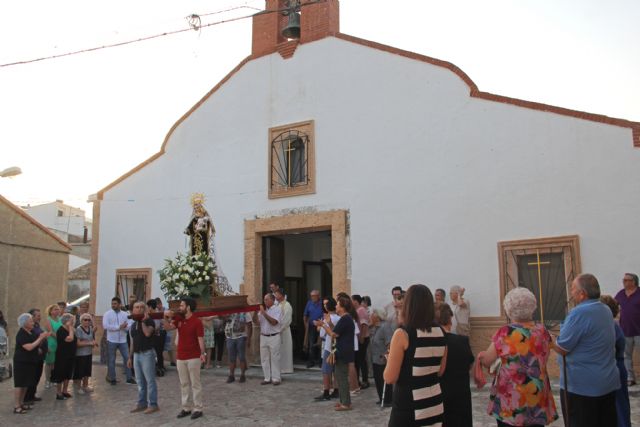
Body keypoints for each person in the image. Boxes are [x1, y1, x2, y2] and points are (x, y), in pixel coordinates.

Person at [554, 273, 620, 427]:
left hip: (583, 387)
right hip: (606, 381)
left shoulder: (579, 312)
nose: (571, 293)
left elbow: (563, 348)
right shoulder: (605, 309)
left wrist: (550, 341)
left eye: (573, 289)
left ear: (582, 294)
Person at [384, 284, 447, 426]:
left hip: (409, 405)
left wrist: (390, 360)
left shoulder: (402, 334)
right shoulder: (440, 332)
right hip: (434, 402)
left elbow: (389, 377)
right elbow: (440, 370)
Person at [164, 297, 206, 420]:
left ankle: (198, 408)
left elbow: (200, 340)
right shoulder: (179, 320)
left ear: (188, 307)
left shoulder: (197, 322)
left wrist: (202, 354)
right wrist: (165, 317)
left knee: (195, 383)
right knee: (183, 383)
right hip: (181, 356)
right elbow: (167, 328)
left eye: (182, 305)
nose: (179, 308)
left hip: (193, 357)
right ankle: (186, 408)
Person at [434, 302, 474, 426]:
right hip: (460, 397)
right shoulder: (462, 341)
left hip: (438, 396)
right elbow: (470, 363)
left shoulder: (430, 342)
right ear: (450, 319)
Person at [319, 295, 355, 411]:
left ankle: (346, 403)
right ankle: (343, 401)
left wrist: (323, 325)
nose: (336, 306)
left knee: (341, 377)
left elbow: (334, 334)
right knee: (339, 376)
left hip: (343, 351)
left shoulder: (345, 319)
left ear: (343, 307)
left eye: (338, 304)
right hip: (342, 350)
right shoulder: (346, 318)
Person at [600, 295, 631, 427]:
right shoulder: (613, 325)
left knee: (618, 405)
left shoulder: (610, 326)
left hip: (613, 367)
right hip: (617, 367)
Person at [13, 313, 50, 414]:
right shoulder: (21, 333)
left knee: (25, 384)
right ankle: (16, 406)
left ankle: (21, 403)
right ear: (24, 323)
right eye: (30, 321)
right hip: (21, 362)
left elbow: (35, 344)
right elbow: (28, 347)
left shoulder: (31, 332)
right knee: (20, 384)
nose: (33, 323)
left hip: (30, 361)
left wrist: (41, 342)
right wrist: (40, 338)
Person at [128, 301, 159, 414]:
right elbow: (132, 342)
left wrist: (143, 322)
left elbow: (147, 333)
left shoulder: (149, 321)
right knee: (140, 381)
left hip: (147, 354)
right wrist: (129, 357)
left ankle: (153, 404)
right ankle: (142, 403)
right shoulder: (132, 325)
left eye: (142, 307)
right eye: (137, 307)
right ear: (133, 310)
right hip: (136, 354)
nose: (139, 309)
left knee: (150, 380)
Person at [615, 273, 640, 386]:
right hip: (625, 330)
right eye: (623, 280)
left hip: (639, 330)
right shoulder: (621, 293)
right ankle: (630, 378)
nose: (623, 282)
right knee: (626, 356)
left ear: (633, 282)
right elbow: (613, 305)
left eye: (626, 280)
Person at [103, 297, 135, 385]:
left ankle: (129, 378)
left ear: (120, 304)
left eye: (115, 304)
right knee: (111, 360)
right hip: (111, 340)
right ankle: (112, 378)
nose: (113, 305)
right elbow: (105, 326)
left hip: (123, 340)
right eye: (112, 303)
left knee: (127, 358)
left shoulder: (125, 314)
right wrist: (118, 327)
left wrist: (125, 328)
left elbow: (130, 323)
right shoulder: (107, 314)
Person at [313, 296, 341, 401]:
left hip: (329, 347)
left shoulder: (328, 318)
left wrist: (320, 325)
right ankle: (336, 390)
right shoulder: (339, 318)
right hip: (337, 346)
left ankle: (326, 392)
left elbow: (322, 334)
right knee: (335, 370)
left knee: (326, 371)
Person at [370, 308, 393, 407]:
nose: (371, 316)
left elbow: (389, 343)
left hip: (382, 358)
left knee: (384, 380)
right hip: (375, 358)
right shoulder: (375, 327)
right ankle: (381, 398)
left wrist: (386, 355)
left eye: (373, 315)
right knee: (378, 379)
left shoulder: (385, 327)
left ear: (377, 317)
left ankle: (388, 400)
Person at [257, 293, 282, 385]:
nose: (264, 301)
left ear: (272, 300)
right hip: (263, 336)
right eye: (264, 299)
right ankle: (267, 378)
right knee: (264, 358)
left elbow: (274, 322)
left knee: (275, 358)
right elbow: (256, 322)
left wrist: (264, 313)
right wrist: (255, 314)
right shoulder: (262, 311)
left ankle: (276, 378)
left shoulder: (277, 309)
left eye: (266, 299)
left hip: (274, 336)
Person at [24, 308, 47, 405]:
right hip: (34, 356)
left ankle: (32, 394)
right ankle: (27, 397)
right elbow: (30, 341)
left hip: (40, 357)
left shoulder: (37, 326)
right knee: (32, 376)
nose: (40, 317)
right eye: (38, 315)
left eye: (39, 315)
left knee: (37, 376)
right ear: (32, 317)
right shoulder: (30, 328)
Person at [52, 313, 77, 400]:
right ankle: (59, 393)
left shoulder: (72, 329)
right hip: (62, 356)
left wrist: (71, 328)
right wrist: (70, 327)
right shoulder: (61, 330)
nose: (73, 322)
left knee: (68, 373)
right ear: (66, 321)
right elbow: (70, 339)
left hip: (71, 355)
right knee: (60, 374)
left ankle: (65, 391)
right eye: (72, 320)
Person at [224, 310, 253, 383]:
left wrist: (249, 339)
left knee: (241, 357)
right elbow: (222, 318)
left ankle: (242, 375)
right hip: (230, 337)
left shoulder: (245, 312)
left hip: (240, 337)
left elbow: (250, 326)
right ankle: (231, 375)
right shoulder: (229, 311)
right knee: (231, 358)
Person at [73, 313, 98, 394]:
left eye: (88, 320)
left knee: (87, 370)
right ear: (81, 321)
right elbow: (78, 343)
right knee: (80, 371)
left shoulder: (90, 328)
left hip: (88, 353)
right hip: (80, 354)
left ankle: (85, 385)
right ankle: (79, 387)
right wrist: (89, 343)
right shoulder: (79, 329)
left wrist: (93, 343)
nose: (87, 321)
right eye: (85, 320)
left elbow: (91, 338)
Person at [352, 294, 370, 389]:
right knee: (357, 360)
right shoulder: (356, 310)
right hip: (358, 338)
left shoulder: (361, 310)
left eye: (352, 300)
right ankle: (357, 380)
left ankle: (365, 380)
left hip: (362, 338)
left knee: (361, 359)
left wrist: (362, 337)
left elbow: (364, 324)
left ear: (356, 301)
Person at [43, 303, 62, 388]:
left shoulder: (60, 319)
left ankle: (53, 379)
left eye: (58, 309)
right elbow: (51, 332)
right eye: (55, 309)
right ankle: (47, 380)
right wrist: (61, 338)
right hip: (51, 342)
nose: (58, 310)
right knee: (49, 363)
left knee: (56, 362)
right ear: (50, 311)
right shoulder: (48, 320)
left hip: (59, 343)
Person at [303, 289, 323, 368]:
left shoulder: (322, 303)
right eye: (311, 296)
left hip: (321, 325)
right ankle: (311, 361)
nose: (312, 297)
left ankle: (320, 361)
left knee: (320, 344)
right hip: (311, 326)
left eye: (314, 296)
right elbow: (305, 315)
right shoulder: (309, 303)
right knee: (311, 344)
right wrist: (305, 325)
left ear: (318, 296)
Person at [275, 289, 294, 374]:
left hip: (284, 330)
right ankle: (279, 368)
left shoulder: (287, 305)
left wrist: (279, 328)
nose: (275, 296)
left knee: (285, 349)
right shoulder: (277, 305)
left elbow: (287, 318)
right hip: (277, 330)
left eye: (277, 294)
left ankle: (286, 368)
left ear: (281, 295)